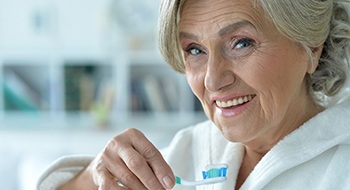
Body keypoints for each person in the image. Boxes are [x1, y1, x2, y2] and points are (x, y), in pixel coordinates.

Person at [37, 0, 350, 189]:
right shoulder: (189, 151)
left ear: (311, 46)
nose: (213, 80)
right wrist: (95, 175)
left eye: (241, 43)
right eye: (195, 50)